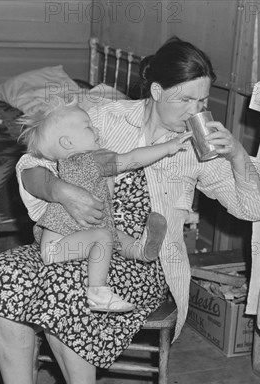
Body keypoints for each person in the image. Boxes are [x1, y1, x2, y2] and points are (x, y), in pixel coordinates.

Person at [0, 36, 260, 384]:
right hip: (77, 240)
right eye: (185, 100)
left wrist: (237, 155)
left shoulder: (198, 148)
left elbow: (252, 208)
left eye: (202, 102)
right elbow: (30, 163)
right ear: (155, 91)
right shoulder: (104, 118)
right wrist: (60, 190)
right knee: (4, 273)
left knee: (67, 288)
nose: (196, 112)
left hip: (142, 261)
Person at [18, 101, 191, 313]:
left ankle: (141, 250)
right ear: (67, 143)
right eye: (89, 127)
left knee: (112, 233)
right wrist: (168, 148)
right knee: (104, 236)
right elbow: (132, 159)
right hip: (57, 247)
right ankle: (98, 292)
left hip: (66, 238)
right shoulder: (92, 160)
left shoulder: (66, 164)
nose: (97, 129)